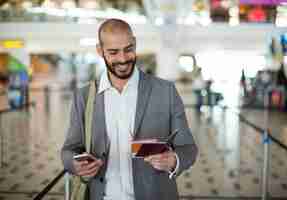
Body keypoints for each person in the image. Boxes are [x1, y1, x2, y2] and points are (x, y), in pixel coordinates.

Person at [61, 18, 198, 200]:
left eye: (128, 49)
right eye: (113, 52)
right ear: (99, 50)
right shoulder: (84, 96)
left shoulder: (165, 91)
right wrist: (75, 165)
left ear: (135, 44)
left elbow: (188, 147)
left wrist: (174, 160)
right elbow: (69, 150)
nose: (123, 58)